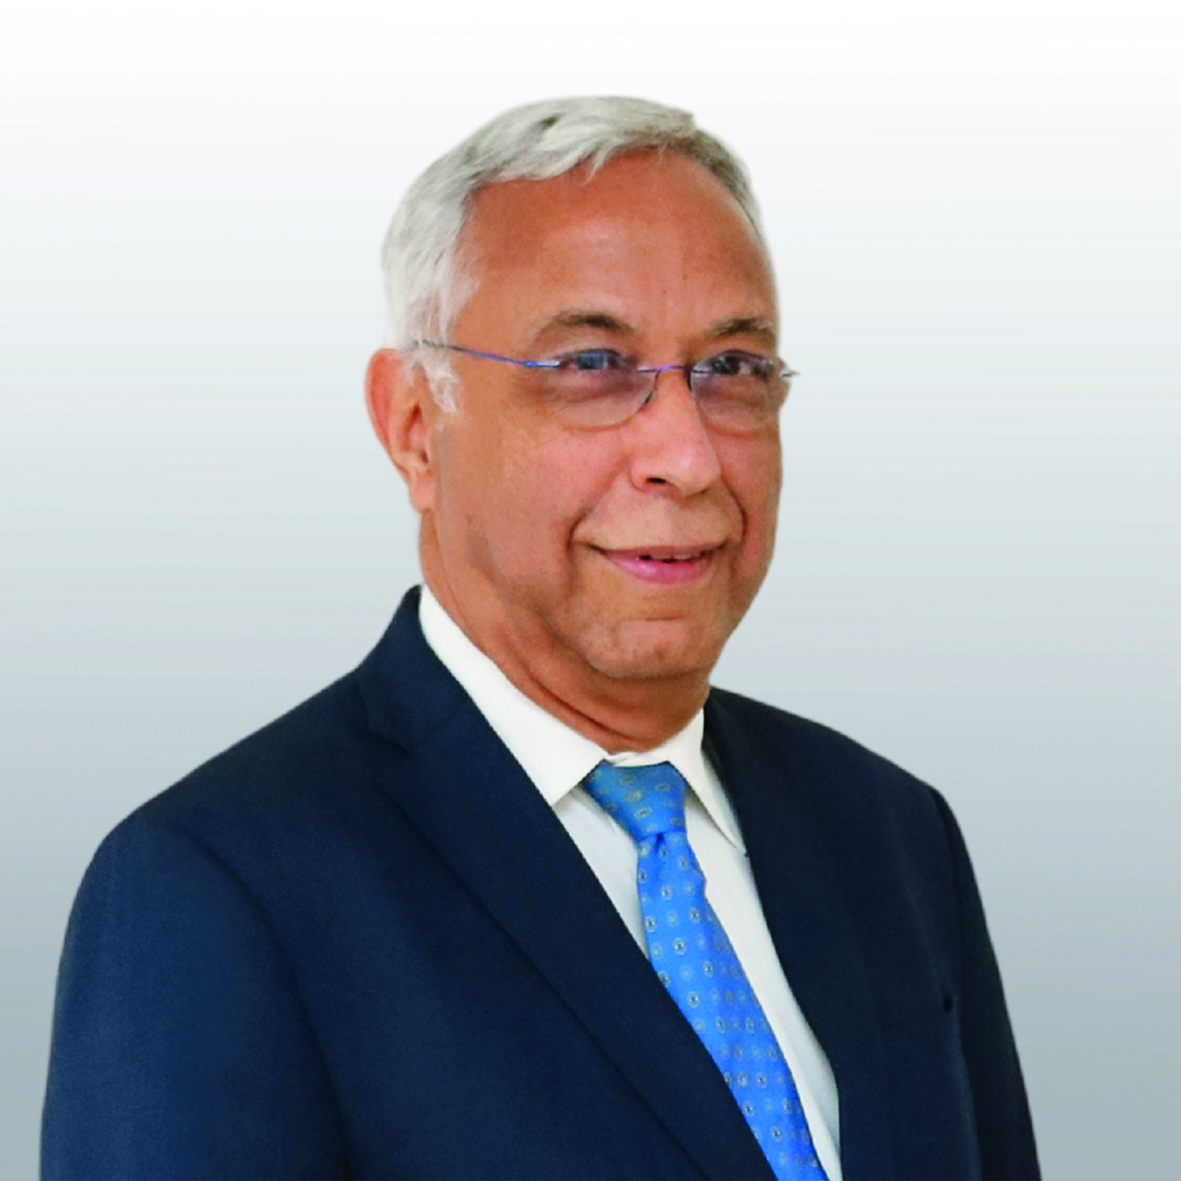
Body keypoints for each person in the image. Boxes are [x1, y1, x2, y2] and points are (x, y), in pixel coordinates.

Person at [41, 97, 1039, 1181]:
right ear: (414, 426)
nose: (686, 456)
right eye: (591, 366)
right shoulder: (216, 890)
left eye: (731, 369)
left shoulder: (888, 833)